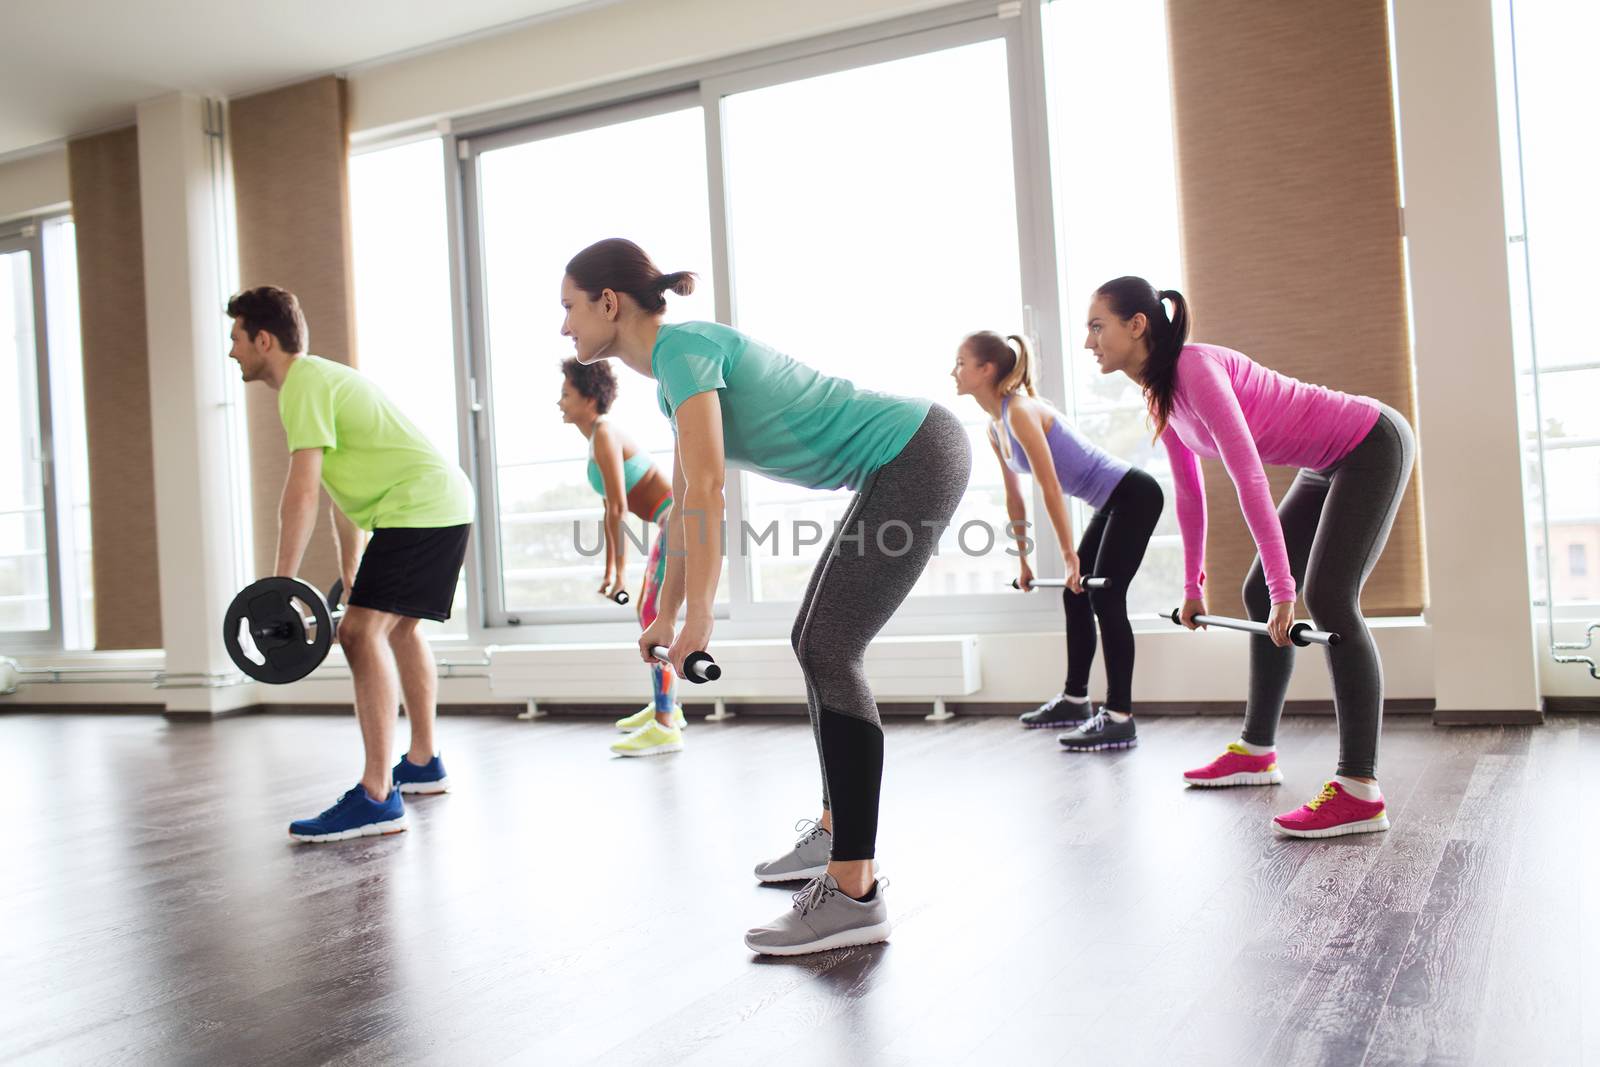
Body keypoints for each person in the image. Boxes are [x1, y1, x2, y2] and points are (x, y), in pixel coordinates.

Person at [559, 238, 969, 954]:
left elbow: (713, 487)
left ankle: (853, 890)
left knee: (831, 645)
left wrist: (699, 617)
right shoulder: (673, 372)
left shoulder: (684, 352)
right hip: (903, 457)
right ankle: (838, 835)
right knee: (815, 641)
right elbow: (687, 493)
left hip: (917, 450)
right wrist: (665, 613)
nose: (565, 326)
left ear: (609, 303)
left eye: (569, 307)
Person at [1087, 275, 1415, 838]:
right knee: (1257, 592)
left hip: (1370, 443)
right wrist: (1192, 586)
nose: (1089, 342)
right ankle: (1257, 750)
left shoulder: (1195, 369)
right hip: (1324, 463)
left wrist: (1290, 594)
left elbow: (1248, 477)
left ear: (1137, 325)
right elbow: (1189, 493)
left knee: (1330, 598)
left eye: (1097, 327)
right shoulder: (1160, 393)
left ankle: (1360, 787)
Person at [226, 286, 473, 842]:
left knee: (361, 632)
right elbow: (343, 495)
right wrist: (350, 566)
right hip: (440, 502)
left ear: (264, 340)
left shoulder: (302, 384)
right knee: (401, 630)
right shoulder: (320, 381)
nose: (233, 351)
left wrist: (280, 584)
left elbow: (303, 492)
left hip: (418, 507)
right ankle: (424, 762)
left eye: (236, 339)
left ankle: (377, 795)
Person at [954, 331, 1163, 750]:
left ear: (986, 369)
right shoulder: (996, 427)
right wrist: (1023, 561)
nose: (953, 372)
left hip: (1133, 493)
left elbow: (1049, 487)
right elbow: (1015, 498)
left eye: (961, 362)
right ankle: (1075, 699)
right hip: (1111, 501)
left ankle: (1120, 716)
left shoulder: (1020, 411)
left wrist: (1070, 558)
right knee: (1076, 598)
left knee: (1104, 597)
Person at [557, 357, 686, 756]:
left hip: (679, 520)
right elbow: (612, 509)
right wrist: (612, 573)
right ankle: (667, 710)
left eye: (565, 394)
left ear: (589, 398)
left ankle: (665, 726)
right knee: (647, 614)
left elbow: (616, 508)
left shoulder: (604, 432)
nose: (559, 402)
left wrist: (620, 575)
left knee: (652, 615)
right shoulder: (597, 437)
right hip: (669, 521)